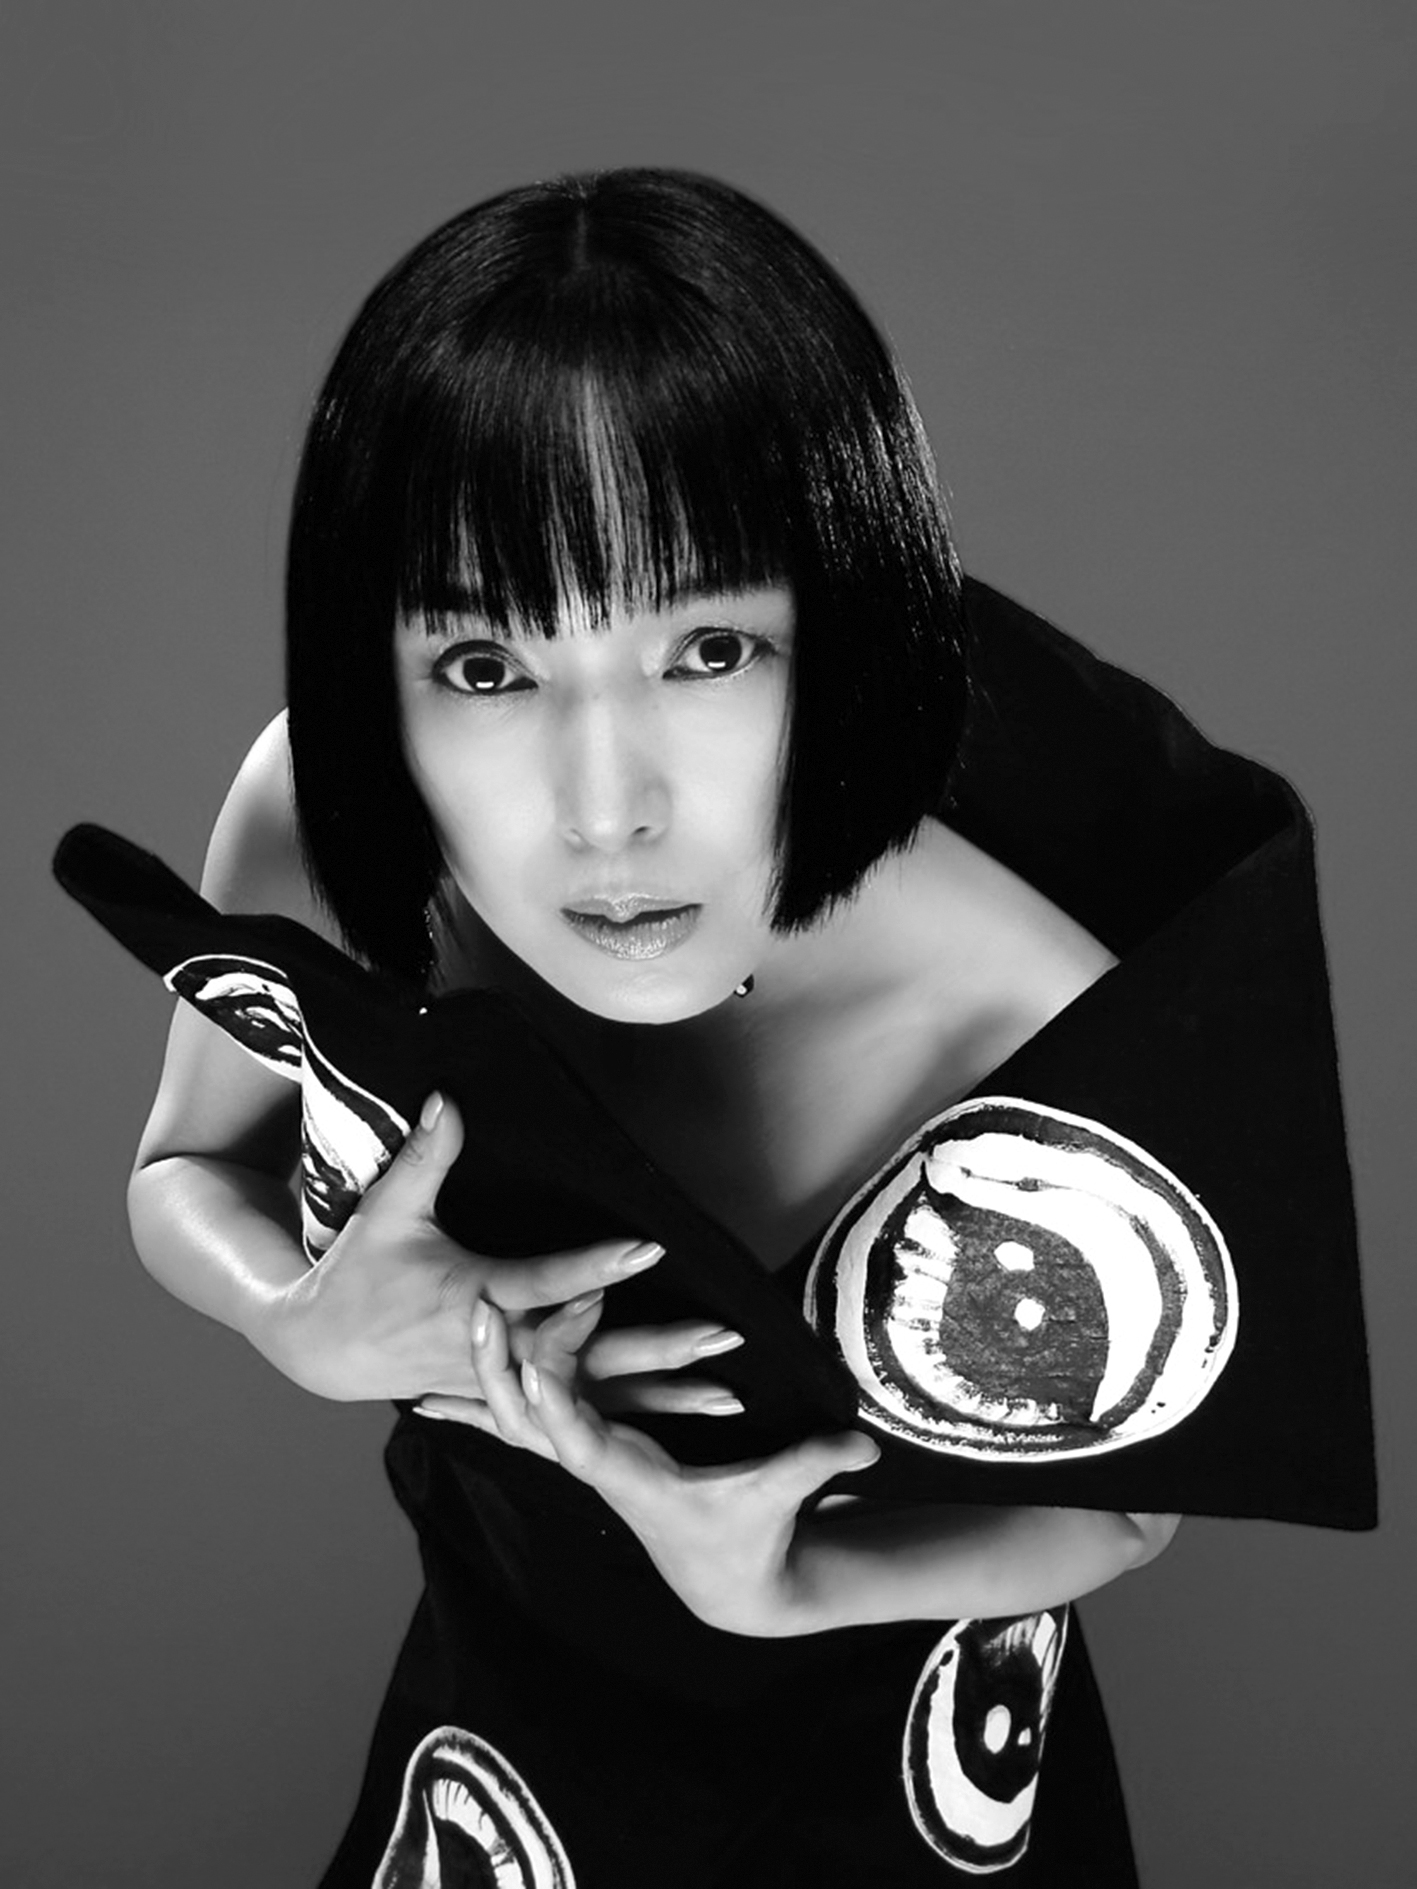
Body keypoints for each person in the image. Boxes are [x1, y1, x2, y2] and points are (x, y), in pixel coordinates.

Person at [57, 168, 1374, 1886]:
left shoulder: (1022, 999)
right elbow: (183, 1162)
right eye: (485, 666)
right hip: (499, 1754)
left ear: (852, 627)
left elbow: (1126, 1500)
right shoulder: (318, 813)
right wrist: (297, 1318)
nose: (607, 809)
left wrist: (791, 1582)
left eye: (707, 650)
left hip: (920, 1791)